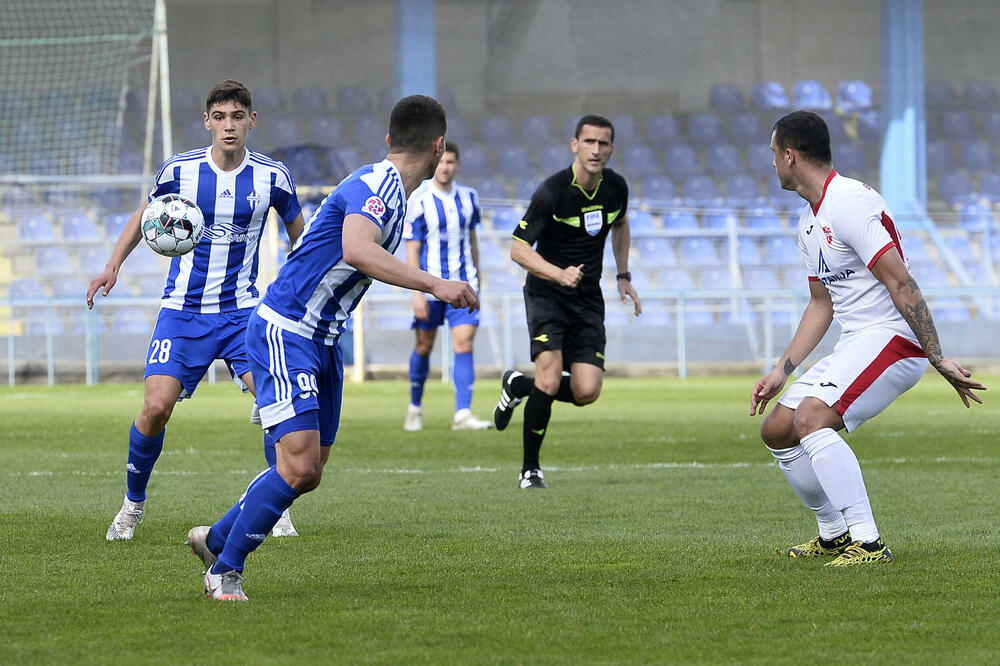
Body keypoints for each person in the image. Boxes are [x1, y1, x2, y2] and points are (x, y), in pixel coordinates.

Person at [185, 95, 478, 601]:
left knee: (308, 471)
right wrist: (435, 284)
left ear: (390, 139)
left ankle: (213, 539)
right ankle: (224, 571)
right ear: (438, 146)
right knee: (296, 465)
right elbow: (356, 250)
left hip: (321, 339)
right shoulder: (377, 185)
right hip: (287, 330)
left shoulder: (392, 193)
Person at [750, 110, 986, 566]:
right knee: (777, 429)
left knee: (811, 419)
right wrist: (783, 369)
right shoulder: (807, 221)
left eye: (773, 154)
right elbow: (822, 303)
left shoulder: (850, 203)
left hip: (895, 340)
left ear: (789, 155)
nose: (772, 163)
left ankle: (869, 543)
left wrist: (937, 357)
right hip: (858, 340)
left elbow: (902, 284)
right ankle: (834, 534)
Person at [87, 80, 306, 542]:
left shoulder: (273, 177)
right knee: (155, 407)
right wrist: (113, 265)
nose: (229, 125)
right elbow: (143, 215)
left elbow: (299, 238)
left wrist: (296, 293)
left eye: (238, 116)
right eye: (220, 117)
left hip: (245, 313)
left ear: (252, 120)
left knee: (275, 403)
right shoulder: (179, 170)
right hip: (183, 312)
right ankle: (132, 505)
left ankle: (279, 504)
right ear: (207, 121)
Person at [492, 114, 641, 489]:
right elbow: (517, 248)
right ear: (574, 144)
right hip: (547, 293)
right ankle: (530, 469)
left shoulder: (616, 188)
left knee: (586, 390)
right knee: (549, 371)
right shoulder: (552, 191)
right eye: (588, 142)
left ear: (611, 148)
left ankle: (518, 387)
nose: (595, 149)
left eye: (602, 143)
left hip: (587, 298)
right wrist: (557, 273)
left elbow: (620, 224)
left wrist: (623, 276)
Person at [402, 140, 492, 431]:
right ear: (434, 161)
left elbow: (473, 241)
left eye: (451, 162)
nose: (445, 167)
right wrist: (416, 293)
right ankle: (415, 406)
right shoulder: (419, 199)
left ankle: (462, 414)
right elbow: (412, 249)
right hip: (429, 287)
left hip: (464, 285)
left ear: (458, 165)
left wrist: (479, 275)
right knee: (424, 346)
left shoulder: (469, 197)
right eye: (441, 161)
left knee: (463, 344)